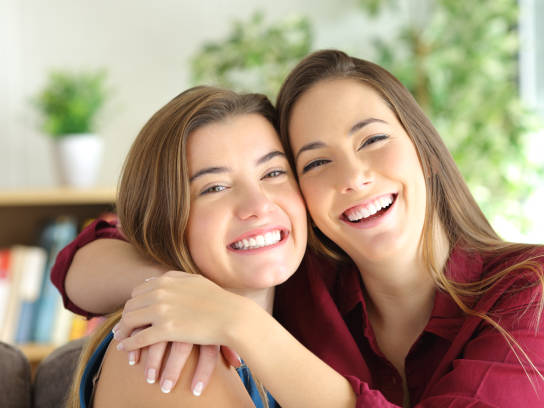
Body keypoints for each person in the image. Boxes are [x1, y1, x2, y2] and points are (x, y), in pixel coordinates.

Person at [53, 50, 544, 407]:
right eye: (313, 163)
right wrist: (180, 292)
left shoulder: (538, 286)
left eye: (373, 139)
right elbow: (81, 257)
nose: (355, 177)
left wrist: (238, 320)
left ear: (423, 149)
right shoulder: (291, 278)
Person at [62, 85, 357, 407]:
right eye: (215, 187)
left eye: (273, 172)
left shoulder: (309, 312)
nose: (258, 204)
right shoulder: (172, 351)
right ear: (164, 217)